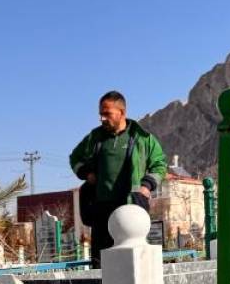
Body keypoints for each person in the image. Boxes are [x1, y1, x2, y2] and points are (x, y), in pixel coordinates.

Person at [69, 90, 167, 265]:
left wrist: (146, 186)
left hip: (131, 206)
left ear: (122, 112)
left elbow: (160, 164)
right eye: (100, 114)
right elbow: (74, 158)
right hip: (101, 210)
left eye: (107, 114)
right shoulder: (95, 138)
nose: (102, 119)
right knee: (100, 262)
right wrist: (86, 173)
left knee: (133, 262)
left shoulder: (142, 138)